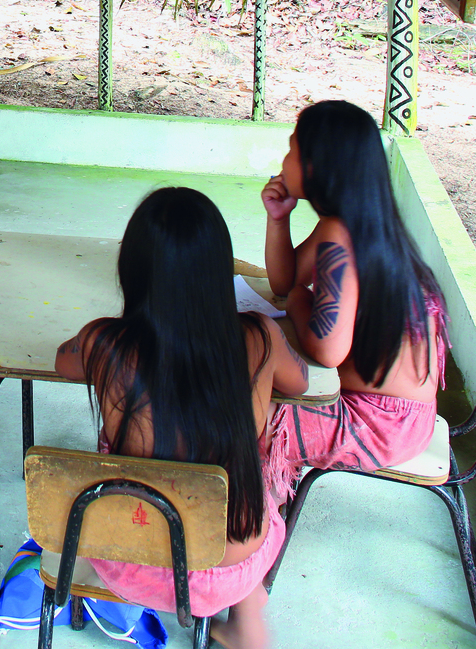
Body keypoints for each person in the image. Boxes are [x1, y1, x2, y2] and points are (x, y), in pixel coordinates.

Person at [56, 188, 308, 649]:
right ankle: (247, 621)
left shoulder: (104, 344)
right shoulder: (260, 338)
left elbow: (61, 362)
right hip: (233, 572)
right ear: (218, 273)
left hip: (133, 567)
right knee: (264, 442)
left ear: (129, 270)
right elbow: (302, 384)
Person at [262, 101, 447, 473]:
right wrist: (278, 220)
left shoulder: (339, 233)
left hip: (375, 424)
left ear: (316, 166)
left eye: (291, 149)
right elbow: (284, 281)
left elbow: (327, 351)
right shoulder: (357, 222)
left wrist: (300, 303)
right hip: (406, 419)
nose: (284, 160)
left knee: (240, 414)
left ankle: (259, 517)